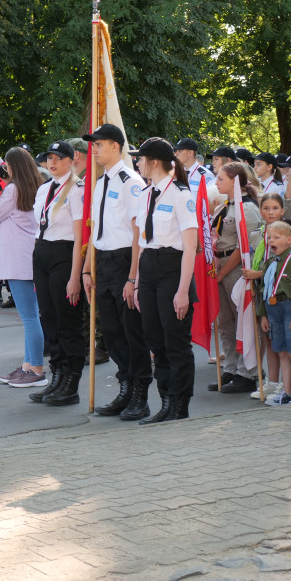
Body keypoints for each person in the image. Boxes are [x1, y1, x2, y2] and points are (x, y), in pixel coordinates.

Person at [79, 124, 153, 420]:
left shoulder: (130, 182)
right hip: (103, 261)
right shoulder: (100, 183)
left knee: (131, 330)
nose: (93, 149)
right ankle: (125, 386)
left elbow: (138, 233)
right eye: (93, 145)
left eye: (98, 144)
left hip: (125, 260)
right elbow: (96, 230)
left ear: (115, 146)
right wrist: (87, 269)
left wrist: (133, 277)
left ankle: (140, 394)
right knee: (111, 331)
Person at [131, 138, 199, 424]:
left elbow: (190, 247)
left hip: (173, 268)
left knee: (175, 341)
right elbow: (141, 240)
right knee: (154, 339)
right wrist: (135, 282)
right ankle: (165, 399)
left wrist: (183, 291)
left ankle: (179, 403)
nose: (136, 163)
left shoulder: (181, 194)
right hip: (149, 267)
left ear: (154, 161)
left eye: (140, 158)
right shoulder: (147, 193)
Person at [0, 147, 45, 389]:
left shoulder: (12, 190)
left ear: (12, 166)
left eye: (6, 166)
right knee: (31, 315)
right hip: (27, 255)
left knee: (29, 317)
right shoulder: (34, 186)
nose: (3, 170)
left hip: (17, 259)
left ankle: (36, 369)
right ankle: (28, 366)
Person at [29, 140, 86, 406]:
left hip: (64, 255)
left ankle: (71, 385)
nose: (51, 163)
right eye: (48, 158)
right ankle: (57, 378)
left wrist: (75, 276)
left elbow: (79, 237)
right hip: (42, 252)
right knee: (49, 320)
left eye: (57, 158)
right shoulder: (44, 189)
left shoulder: (77, 189)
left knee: (67, 322)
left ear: (71, 160)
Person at [210, 162, 264, 393]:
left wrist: (222, 272)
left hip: (236, 268)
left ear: (235, 181)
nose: (216, 182)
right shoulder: (224, 205)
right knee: (225, 320)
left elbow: (245, 246)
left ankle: (249, 371)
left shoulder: (248, 208)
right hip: (219, 264)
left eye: (221, 179)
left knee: (243, 319)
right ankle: (231, 367)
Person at [240, 192, 288, 401]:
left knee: (281, 342)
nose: (271, 212)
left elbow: (284, 266)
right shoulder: (257, 233)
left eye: (275, 208)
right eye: (266, 208)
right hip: (262, 292)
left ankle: (285, 386)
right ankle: (272, 382)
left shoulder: (287, 233)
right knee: (268, 339)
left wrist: (258, 274)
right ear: (260, 210)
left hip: (281, 294)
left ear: (282, 211)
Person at [257, 221, 291, 404]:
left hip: (290, 308)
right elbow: (264, 290)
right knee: (281, 352)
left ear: (289, 240)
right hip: (273, 310)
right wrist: (263, 315)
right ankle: (286, 391)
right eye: (270, 237)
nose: (272, 240)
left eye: (277, 237)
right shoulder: (271, 262)